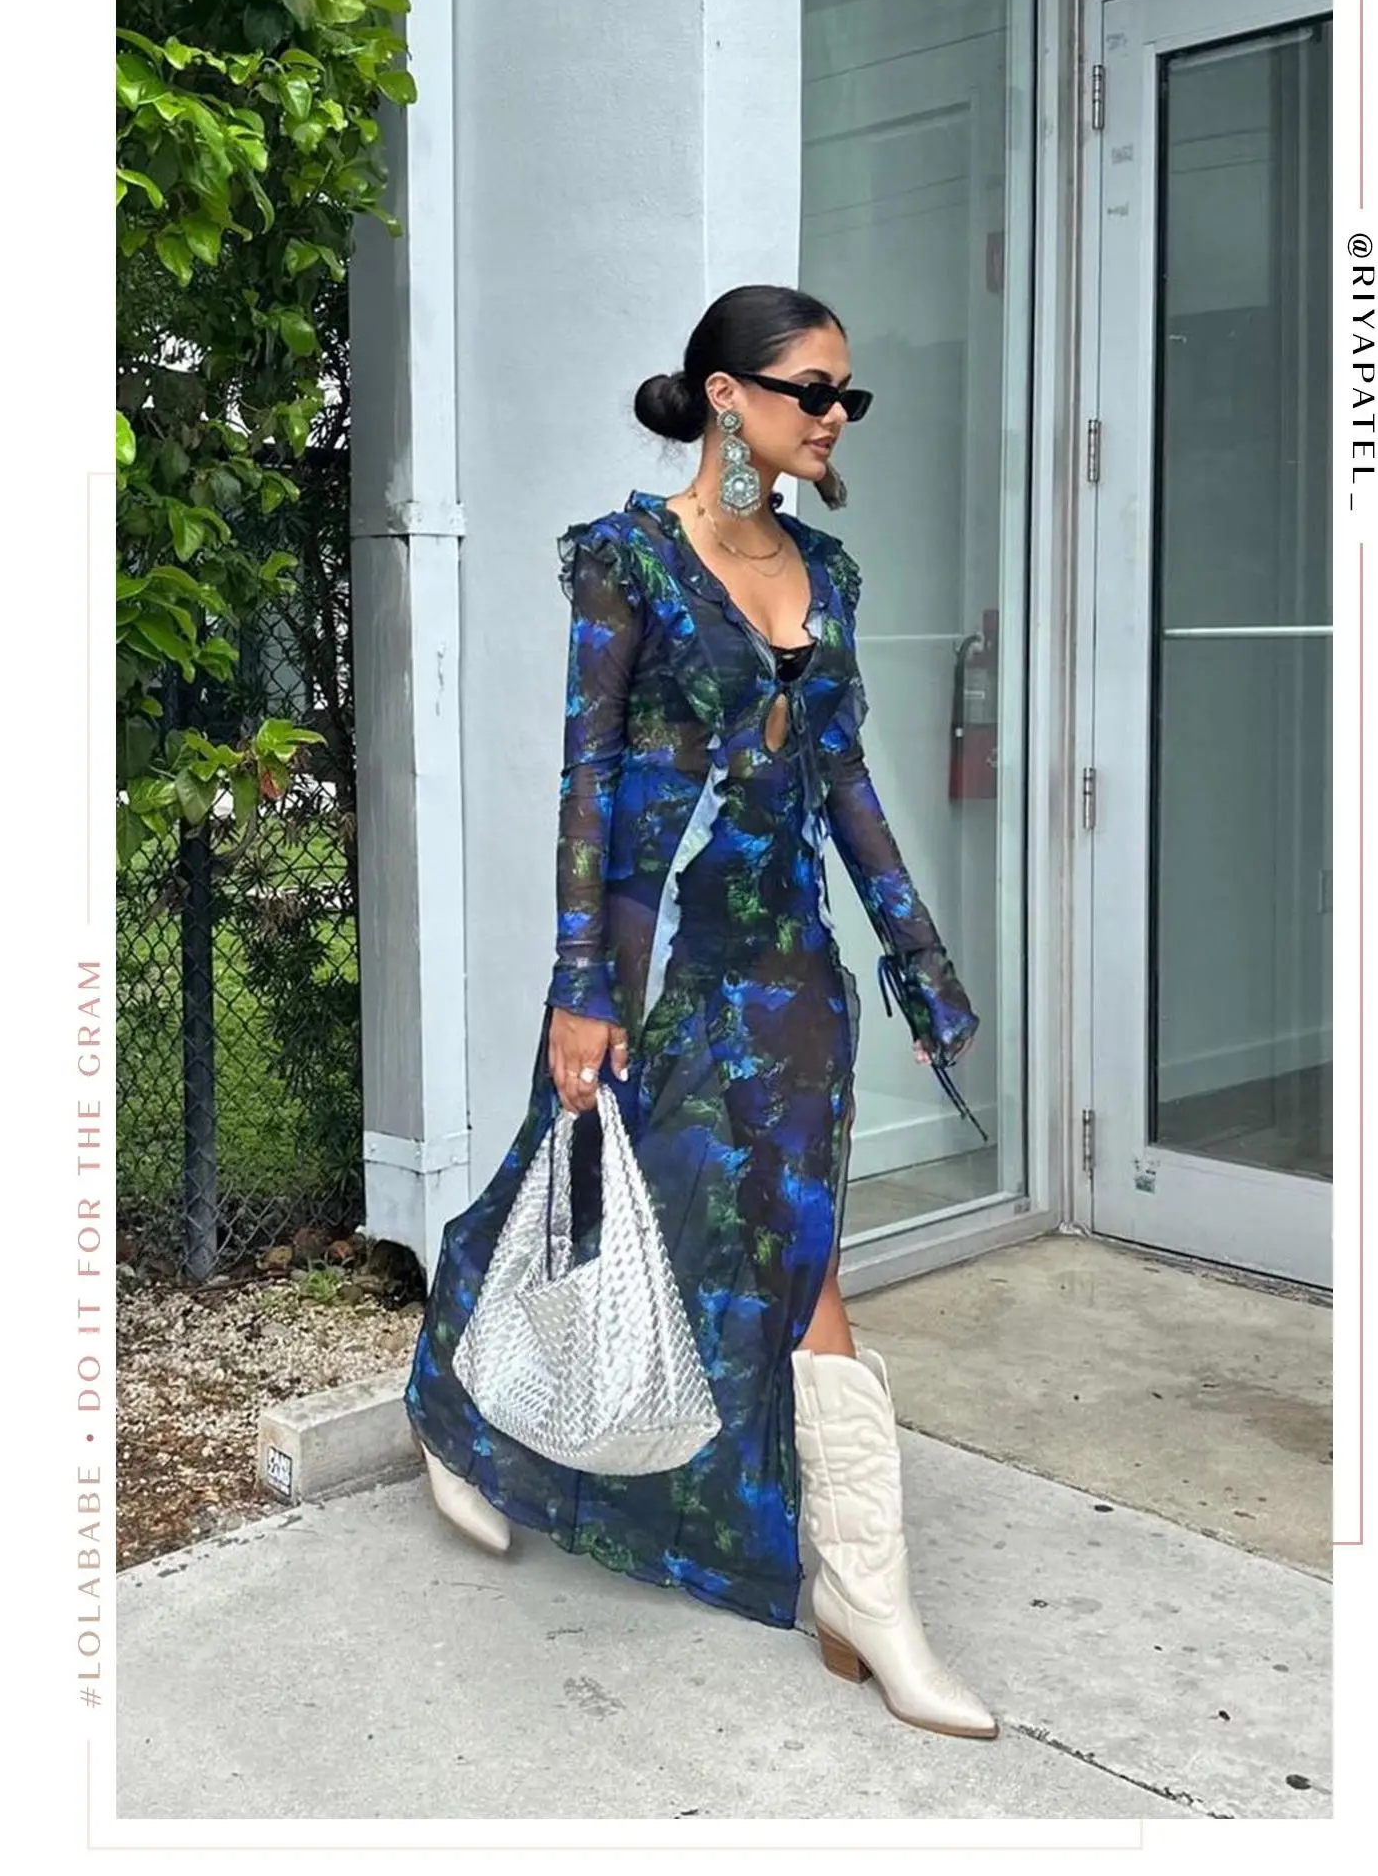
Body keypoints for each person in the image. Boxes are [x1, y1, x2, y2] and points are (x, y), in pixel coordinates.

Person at [403, 284, 996, 1740]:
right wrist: (578, 984)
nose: (835, 416)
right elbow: (588, 779)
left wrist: (917, 955)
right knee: (582, 1197)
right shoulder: (627, 561)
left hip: (782, 964)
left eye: (849, 395)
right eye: (812, 391)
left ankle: (864, 1593)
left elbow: (843, 778)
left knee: (797, 1249)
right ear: (728, 395)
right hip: (649, 958)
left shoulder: (827, 571)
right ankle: (460, 1413)